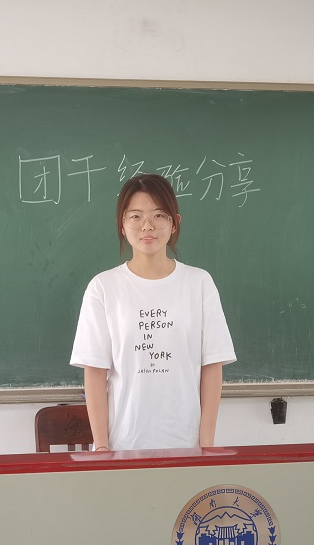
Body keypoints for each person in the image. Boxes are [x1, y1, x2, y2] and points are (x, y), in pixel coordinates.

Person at [70, 173, 236, 452]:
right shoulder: (103, 287)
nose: (147, 225)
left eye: (159, 215)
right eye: (135, 216)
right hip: (124, 445)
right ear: (122, 225)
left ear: (175, 223)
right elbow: (95, 372)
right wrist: (102, 448)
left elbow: (212, 365)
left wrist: (206, 445)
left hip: (187, 445)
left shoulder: (199, 283)